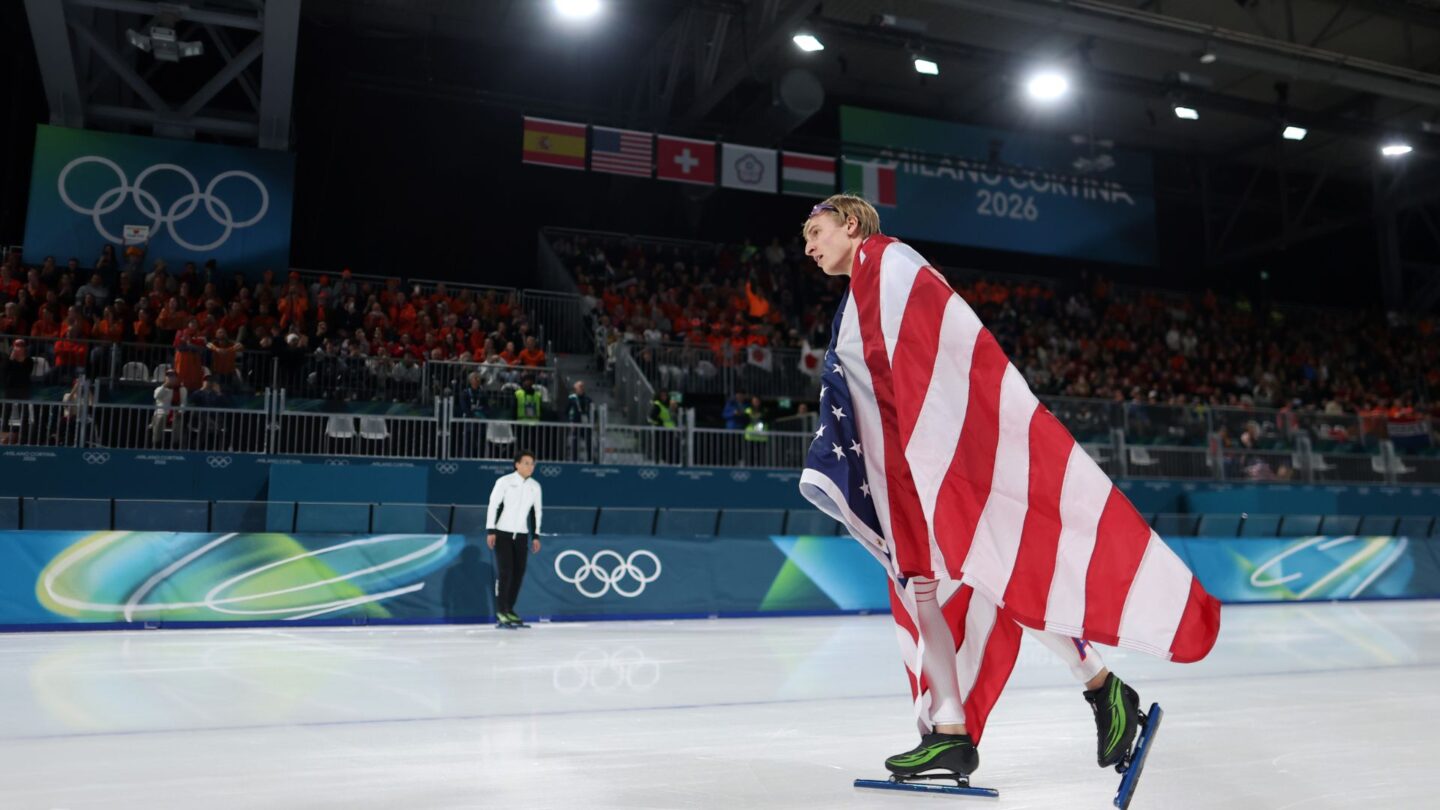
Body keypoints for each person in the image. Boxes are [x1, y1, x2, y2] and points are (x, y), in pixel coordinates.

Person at [796, 194, 1220, 793]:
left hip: (944, 460)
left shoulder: (890, 263)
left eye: (816, 232)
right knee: (923, 589)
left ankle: (1102, 688)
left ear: (851, 223)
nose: (810, 248)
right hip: (909, 472)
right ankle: (950, 733)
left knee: (999, 569)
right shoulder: (859, 292)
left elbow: (944, 358)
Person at [485, 450, 543, 629]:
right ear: (516, 464)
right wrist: (491, 530)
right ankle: (501, 610)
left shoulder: (535, 486)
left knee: (519, 573)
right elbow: (493, 505)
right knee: (506, 572)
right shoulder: (504, 482)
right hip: (502, 533)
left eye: (532, 463)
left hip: (522, 535)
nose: (529, 466)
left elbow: (536, 512)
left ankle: (509, 609)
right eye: (526, 462)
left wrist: (536, 535)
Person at [151, 368, 187, 448]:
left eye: (173, 376)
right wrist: (165, 386)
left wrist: (180, 412)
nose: (171, 378)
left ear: (176, 378)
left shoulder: (182, 389)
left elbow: (183, 403)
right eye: (169, 376)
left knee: (178, 419)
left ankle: (175, 444)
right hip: (162, 412)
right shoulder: (160, 389)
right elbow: (157, 396)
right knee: (160, 418)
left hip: (175, 412)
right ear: (165, 378)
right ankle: (156, 442)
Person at [565, 380, 593, 461]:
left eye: (582, 387)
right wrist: (570, 423)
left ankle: (589, 459)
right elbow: (566, 412)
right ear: (575, 389)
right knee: (575, 443)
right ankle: (574, 460)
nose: (581, 389)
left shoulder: (588, 399)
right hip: (576, 424)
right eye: (579, 387)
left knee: (588, 443)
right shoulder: (572, 398)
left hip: (586, 425)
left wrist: (593, 422)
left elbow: (593, 412)